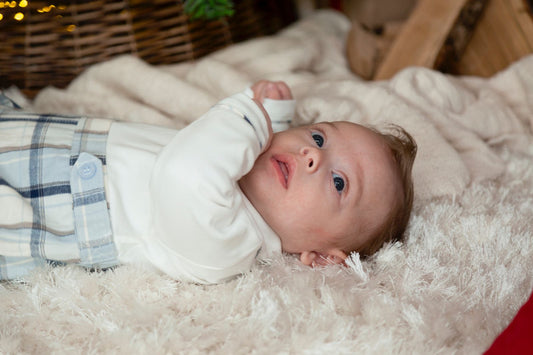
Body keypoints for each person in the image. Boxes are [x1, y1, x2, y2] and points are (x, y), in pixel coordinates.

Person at [0, 80, 416, 283]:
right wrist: (279, 121)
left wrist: (252, 116)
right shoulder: (249, 163)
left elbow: (186, 173)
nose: (313, 155)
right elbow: (270, 159)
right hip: (37, 136)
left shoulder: (229, 243)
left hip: (27, 198)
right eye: (319, 137)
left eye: (340, 182)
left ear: (322, 257)